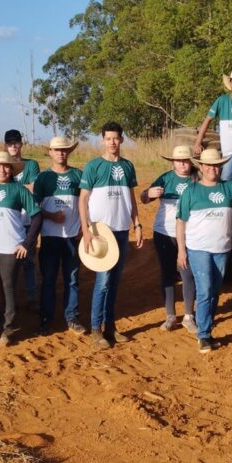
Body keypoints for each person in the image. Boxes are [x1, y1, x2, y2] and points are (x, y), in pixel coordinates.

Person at [79, 122, 144, 350]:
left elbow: (131, 197)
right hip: (101, 232)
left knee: (115, 282)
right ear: (102, 140)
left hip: (121, 230)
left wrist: (137, 224)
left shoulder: (128, 166)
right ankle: (96, 330)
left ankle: (110, 327)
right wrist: (86, 231)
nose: (112, 143)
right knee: (103, 282)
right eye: (108, 138)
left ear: (122, 140)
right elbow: (83, 199)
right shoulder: (93, 166)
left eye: (116, 138)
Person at [176, 148, 232, 353]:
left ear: (220, 166)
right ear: (201, 167)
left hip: (222, 248)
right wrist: (181, 250)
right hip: (198, 248)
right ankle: (203, 335)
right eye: (208, 165)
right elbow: (181, 222)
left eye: (216, 165)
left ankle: (207, 328)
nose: (212, 168)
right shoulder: (191, 191)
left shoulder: (231, 188)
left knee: (214, 291)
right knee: (205, 290)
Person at [0, 151, 43, 348]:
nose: (2, 170)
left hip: (11, 248)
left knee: (8, 289)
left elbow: (36, 216)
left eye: (6, 166)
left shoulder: (20, 190)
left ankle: (7, 329)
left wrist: (27, 243)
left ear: (11, 170)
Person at [141, 144, 198, 334]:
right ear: (173, 162)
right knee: (167, 273)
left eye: (186, 160)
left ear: (191, 161)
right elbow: (143, 197)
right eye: (179, 161)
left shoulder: (197, 178)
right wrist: (149, 194)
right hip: (164, 231)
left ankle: (189, 315)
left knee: (187, 273)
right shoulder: (165, 178)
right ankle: (170, 316)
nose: (182, 164)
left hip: (190, 233)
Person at [33, 137, 85, 335]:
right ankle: (46, 319)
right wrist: (50, 215)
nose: (61, 153)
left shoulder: (78, 175)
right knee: (48, 279)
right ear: (50, 152)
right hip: (50, 236)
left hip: (72, 236)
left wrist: (83, 225)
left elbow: (86, 202)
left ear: (68, 152)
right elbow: (34, 207)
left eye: (64, 150)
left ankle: (72, 317)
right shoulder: (43, 178)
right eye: (57, 150)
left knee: (72, 278)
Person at [4, 129, 40, 305]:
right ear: (6, 146)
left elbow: (35, 188)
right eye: (10, 144)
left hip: (27, 219)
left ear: (21, 144)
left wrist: (13, 191)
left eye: (16, 143)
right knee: (8, 262)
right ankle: (11, 296)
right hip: (9, 222)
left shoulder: (31, 165)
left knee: (29, 261)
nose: (13, 147)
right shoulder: (3, 166)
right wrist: (24, 189)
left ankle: (31, 295)